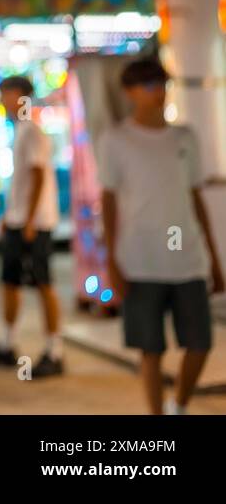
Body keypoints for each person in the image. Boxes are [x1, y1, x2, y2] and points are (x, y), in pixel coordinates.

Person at [98, 58, 224, 414]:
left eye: (162, 85)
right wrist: (111, 261)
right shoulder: (116, 140)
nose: (159, 93)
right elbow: (107, 201)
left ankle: (179, 404)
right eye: (150, 86)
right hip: (139, 261)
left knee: (200, 342)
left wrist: (214, 259)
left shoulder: (185, 137)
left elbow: (195, 197)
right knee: (149, 348)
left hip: (187, 261)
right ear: (130, 92)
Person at [0, 75, 64, 376]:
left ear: (21, 96)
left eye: (6, 94)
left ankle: (55, 350)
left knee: (43, 283)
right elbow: (25, 181)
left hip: (35, 224)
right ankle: (6, 344)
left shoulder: (31, 132)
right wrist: (11, 216)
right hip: (21, 221)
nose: (2, 101)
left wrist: (28, 220)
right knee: (10, 282)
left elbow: (39, 176)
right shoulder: (20, 131)